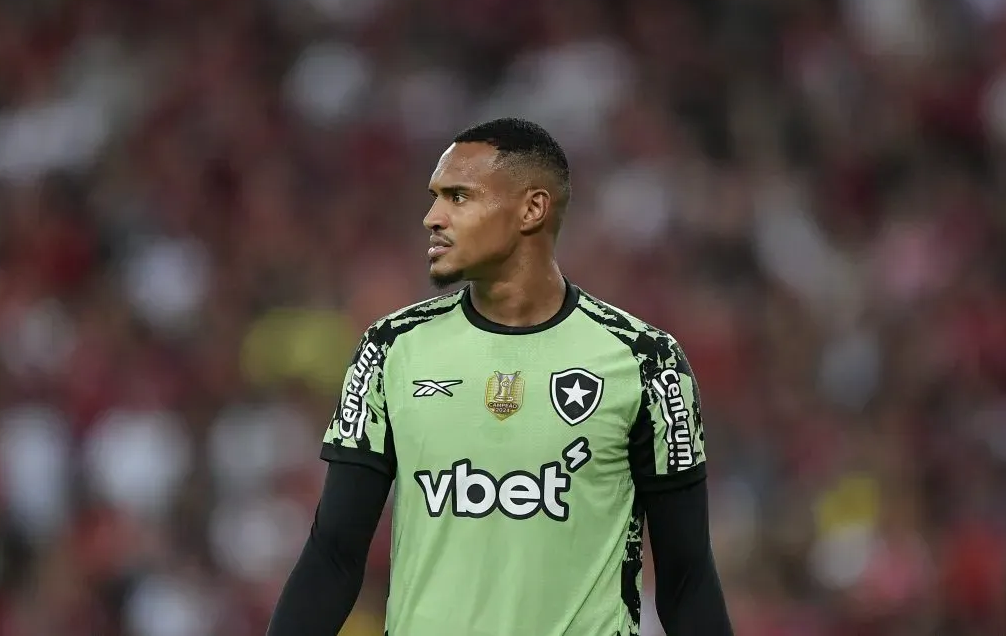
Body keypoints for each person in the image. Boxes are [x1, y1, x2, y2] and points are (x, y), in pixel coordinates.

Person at [266, 118, 734, 636]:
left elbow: (687, 577)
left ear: (532, 210)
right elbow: (333, 555)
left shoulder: (645, 361)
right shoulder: (391, 349)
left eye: (458, 197)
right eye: (434, 197)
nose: (432, 217)